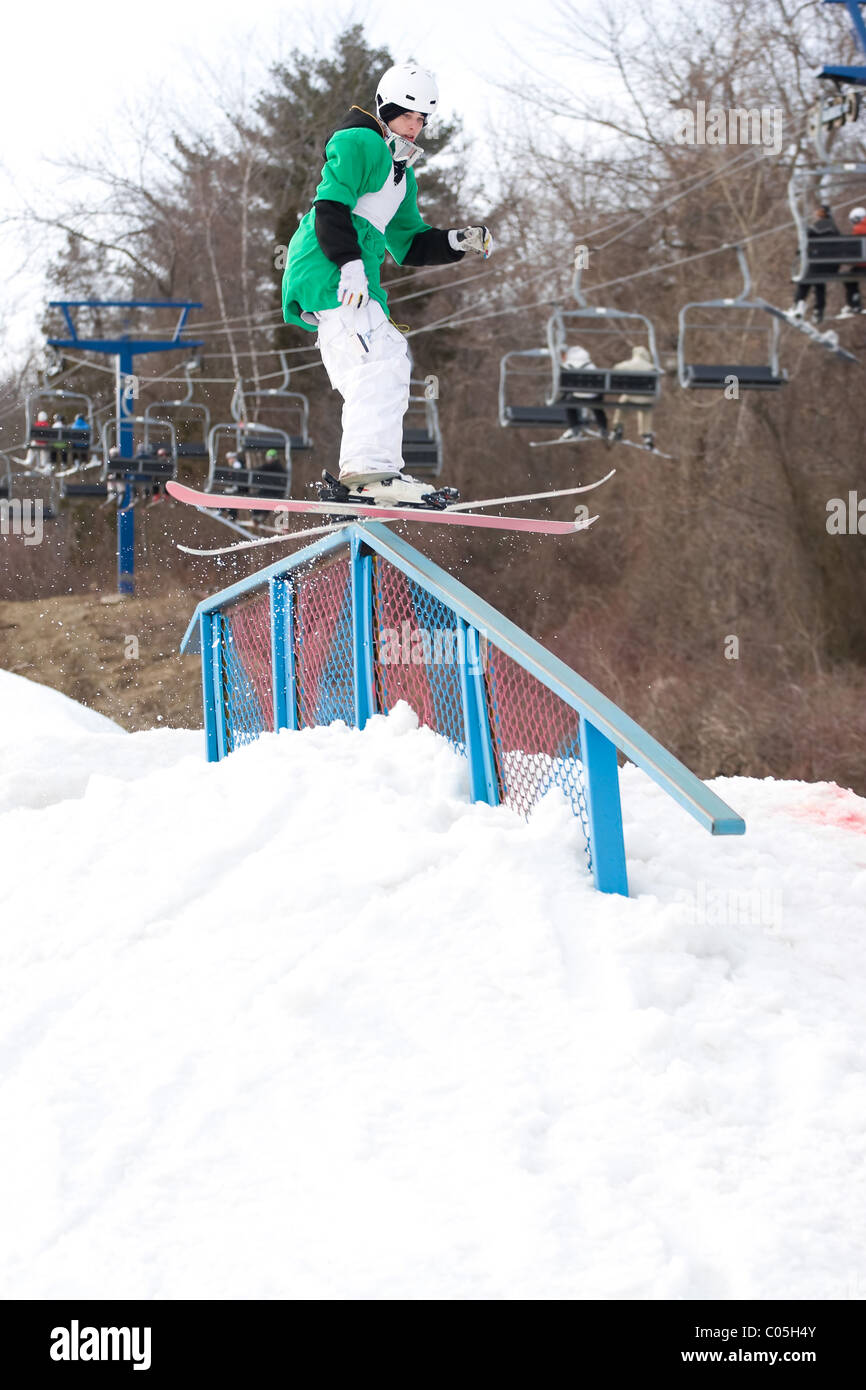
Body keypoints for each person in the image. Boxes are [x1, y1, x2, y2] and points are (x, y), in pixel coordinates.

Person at [281, 62, 493, 506]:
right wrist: (350, 264)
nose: (415, 128)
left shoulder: (402, 175)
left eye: (422, 120)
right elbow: (330, 207)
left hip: (357, 277)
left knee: (389, 360)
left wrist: (457, 241)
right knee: (377, 363)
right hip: (329, 268)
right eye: (407, 116)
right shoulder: (360, 141)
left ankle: (377, 473)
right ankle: (366, 473)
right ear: (386, 110)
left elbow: (409, 242)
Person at [790, 204, 859, 324]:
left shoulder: (819, 226)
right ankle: (818, 310)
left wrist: (800, 252)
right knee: (818, 281)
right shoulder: (833, 228)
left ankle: (800, 303)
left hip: (819, 264)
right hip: (831, 265)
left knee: (807, 278)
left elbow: (807, 240)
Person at [610, 344, 662, 450]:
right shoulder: (651, 367)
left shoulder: (629, 364)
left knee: (623, 402)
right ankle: (646, 434)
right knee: (646, 409)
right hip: (647, 398)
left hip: (631, 396)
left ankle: (618, 426)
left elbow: (615, 369)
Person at [560, 344, 608, 440]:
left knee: (569, 405)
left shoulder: (567, 365)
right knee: (597, 405)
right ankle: (603, 428)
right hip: (593, 396)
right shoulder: (590, 365)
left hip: (577, 395)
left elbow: (564, 385)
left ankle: (574, 428)